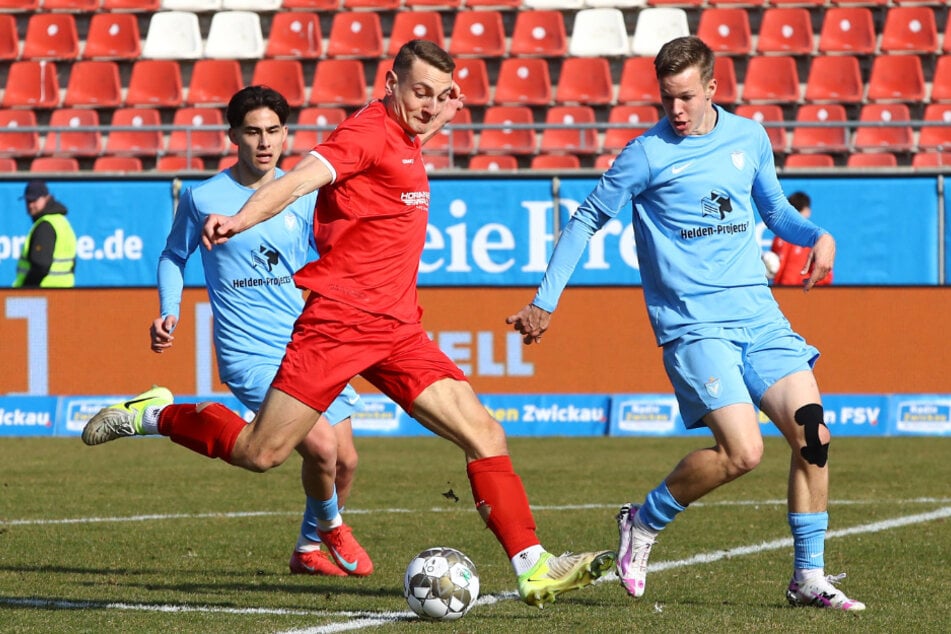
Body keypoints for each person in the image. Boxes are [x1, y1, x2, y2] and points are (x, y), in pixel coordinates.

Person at [83, 40, 614, 607]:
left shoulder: (408, 135)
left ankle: (533, 567)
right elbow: (296, 182)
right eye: (419, 93)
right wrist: (240, 219)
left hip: (397, 330)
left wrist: (441, 117)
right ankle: (156, 415)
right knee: (262, 454)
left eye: (440, 96)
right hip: (337, 325)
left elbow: (405, 141)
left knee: (485, 433)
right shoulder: (362, 134)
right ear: (390, 83)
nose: (430, 106)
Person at [507, 36, 865, 611]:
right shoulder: (645, 154)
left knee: (814, 437)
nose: (675, 110)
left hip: (759, 316)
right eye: (666, 98)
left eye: (686, 97)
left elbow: (773, 212)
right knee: (742, 453)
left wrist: (818, 234)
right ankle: (642, 523)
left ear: (713, 89)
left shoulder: (749, 137)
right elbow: (585, 219)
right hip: (693, 326)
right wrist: (545, 301)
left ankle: (809, 576)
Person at [148, 86, 365, 577]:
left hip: (305, 344)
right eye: (252, 131)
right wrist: (170, 309)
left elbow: (333, 256)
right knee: (322, 447)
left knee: (346, 459)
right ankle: (331, 526)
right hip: (249, 351)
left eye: (273, 131)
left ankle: (308, 551)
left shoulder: (300, 193)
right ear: (233, 136)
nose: (264, 142)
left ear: (286, 135)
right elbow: (172, 256)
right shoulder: (204, 197)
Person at [13, 180, 77, 287]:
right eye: (28, 201)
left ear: (46, 198)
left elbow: (41, 265)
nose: (30, 205)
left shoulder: (45, 225)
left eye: (34, 200)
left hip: (43, 294)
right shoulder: (61, 221)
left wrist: (25, 289)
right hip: (64, 293)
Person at [771, 192, 833, 287]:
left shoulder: (815, 241)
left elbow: (825, 276)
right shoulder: (779, 238)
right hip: (780, 293)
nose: (797, 219)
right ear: (808, 211)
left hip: (802, 295)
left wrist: (803, 284)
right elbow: (772, 269)